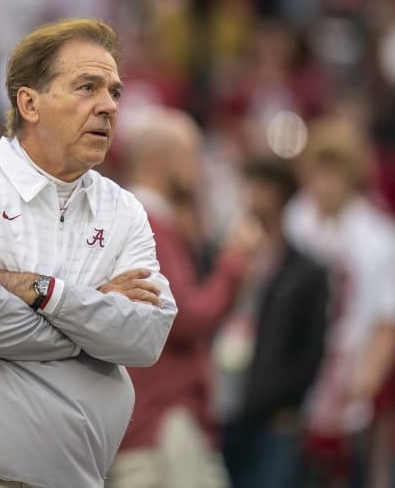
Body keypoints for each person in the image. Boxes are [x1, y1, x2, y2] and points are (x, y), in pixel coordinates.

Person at [0, 18, 177, 488]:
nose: (107, 107)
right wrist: (89, 323)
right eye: (87, 87)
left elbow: (145, 336)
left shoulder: (124, 209)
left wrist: (44, 291)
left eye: (115, 92)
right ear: (29, 103)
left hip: (75, 477)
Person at [106, 107, 259, 488]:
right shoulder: (147, 222)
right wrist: (233, 264)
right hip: (161, 419)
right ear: (160, 160)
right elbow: (186, 318)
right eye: (192, 153)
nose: (201, 167)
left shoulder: (144, 219)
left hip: (154, 418)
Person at [284, 115, 395, 487]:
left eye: (336, 173)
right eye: (320, 171)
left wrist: (367, 376)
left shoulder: (377, 236)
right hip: (298, 372)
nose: (326, 184)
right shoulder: (295, 221)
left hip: (349, 372)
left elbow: (386, 318)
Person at [216, 158, 329, 488]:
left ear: (283, 196)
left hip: (273, 420)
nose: (254, 196)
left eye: (264, 187)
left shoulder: (306, 271)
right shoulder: (224, 258)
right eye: (251, 186)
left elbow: (311, 350)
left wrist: (282, 400)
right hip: (223, 409)